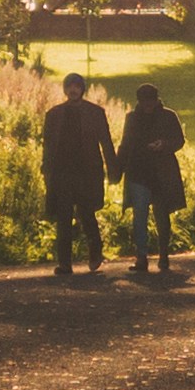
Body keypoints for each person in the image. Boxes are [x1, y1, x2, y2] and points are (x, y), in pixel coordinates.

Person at [37, 74, 115, 277]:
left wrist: (113, 168)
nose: (73, 90)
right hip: (62, 172)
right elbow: (48, 145)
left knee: (87, 213)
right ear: (65, 90)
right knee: (63, 217)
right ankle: (65, 263)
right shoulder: (54, 114)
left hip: (86, 172)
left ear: (82, 89)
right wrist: (46, 167)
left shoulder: (95, 113)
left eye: (76, 86)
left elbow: (106, 142)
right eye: (69, 86)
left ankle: (95, 252)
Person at [116, 83, 192, 275]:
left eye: (150, 101)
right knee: (139, 216)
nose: (147, 105)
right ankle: (141, 257)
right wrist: (117, 167)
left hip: (161, 172)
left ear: (156, 100)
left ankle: (163, 253)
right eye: (144, 102)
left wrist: (164, 145)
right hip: (138, 171)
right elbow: (125, 144)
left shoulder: (168, 116)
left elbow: (179, 140)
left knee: (161, 215)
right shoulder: (132, 118)